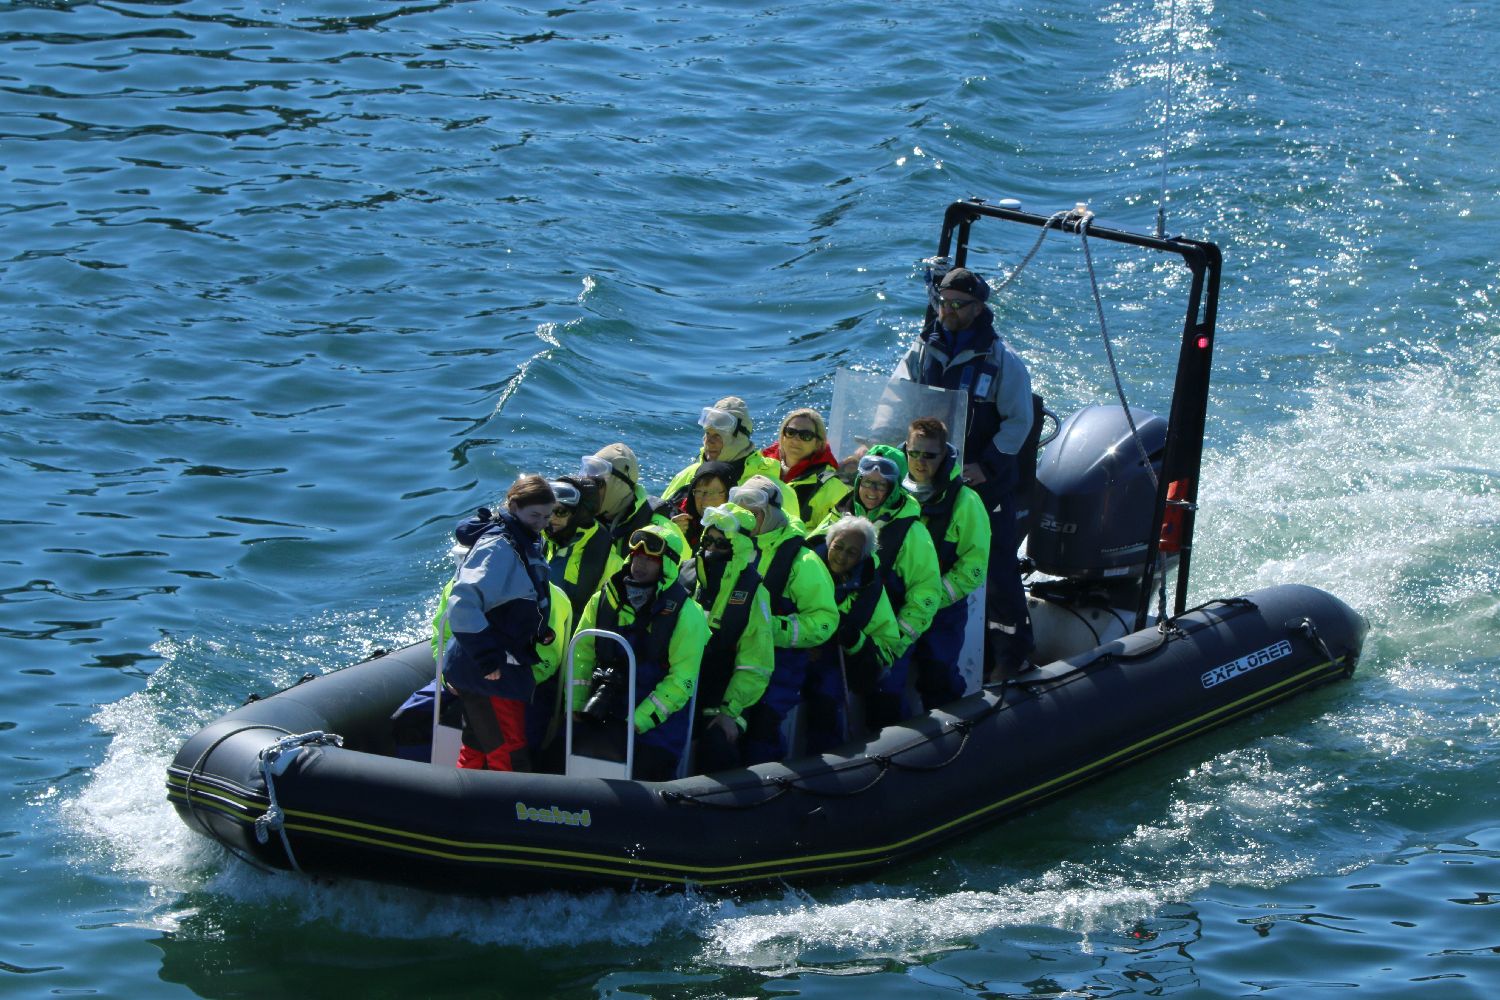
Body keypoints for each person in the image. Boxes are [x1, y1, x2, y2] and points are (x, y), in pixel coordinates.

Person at [894, 266, 1035, 678]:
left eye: (958, 304)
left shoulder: (1002, 361)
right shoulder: (923, 349)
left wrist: (985, 466)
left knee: (997, 567)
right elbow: (895, 398)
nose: (948, 310)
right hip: (929, 481)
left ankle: (1013, 656)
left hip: (983, 486)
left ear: (978, 308)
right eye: (943, 302)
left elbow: (1018, 422)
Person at [815, 445, 941, 730]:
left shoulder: (912, 533)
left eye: (882, 486)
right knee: (824, 695)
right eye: (868, 483)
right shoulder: (839, 516)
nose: (872, 491)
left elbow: (926, 592)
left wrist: (897, 641)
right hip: (839, 631)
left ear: (895, 489)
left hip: (886, 634)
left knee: (886, 696)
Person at [570, 524, 708, 781]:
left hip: (655, 730)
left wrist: (637, 722)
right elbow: (582, 654)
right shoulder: (602, 600)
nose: (640, 564)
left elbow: (682, 680)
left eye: (650, 559)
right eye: (637, 556)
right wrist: (578, 704)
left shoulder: (688, 615)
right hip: (600, 712)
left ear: (667, 565)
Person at [440, 475, 557, 771]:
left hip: (496, 663)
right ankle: (508, 808)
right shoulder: (499, 547)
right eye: (534, 515)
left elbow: (517, 595)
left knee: (479, 741)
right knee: (508, 746)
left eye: (547, 515)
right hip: (490, 669)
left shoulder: (524, 538)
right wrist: (487, 658)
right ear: (514, 507)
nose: (542, 522)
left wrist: (538, 631)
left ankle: (465, 799)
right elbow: (463, 603)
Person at [730, 476, 838, 764]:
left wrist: (772, 630)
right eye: (741, 511)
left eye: (754, 512)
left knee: (761, 729)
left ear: (773, 512)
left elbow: (825, 620)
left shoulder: (802, 562)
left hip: (780, 667)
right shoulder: (729, 548)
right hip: (734, 660)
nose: (748, 519)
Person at [903, 416, 990, 710]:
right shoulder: (895, 492)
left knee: (938, 674)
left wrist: (929, 599)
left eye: (929, 455)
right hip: (897, 606)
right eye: (913, 453)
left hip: (942, 610)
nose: (919, 462)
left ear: (944, 455)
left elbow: (973, 567)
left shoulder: (966, 503)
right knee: (887, 680)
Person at [685, 502, 776, 772]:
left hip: (724, 694)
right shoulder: (685, 576)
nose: (711, 550)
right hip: (681, 684)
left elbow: (756, 663)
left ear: (738, 548)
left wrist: (730, 711)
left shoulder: (754, 593)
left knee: (717, 745)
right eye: (708, 541)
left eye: (721, 544)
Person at [803, 515, 902, 752]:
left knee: (826, 698)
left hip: (837, 661)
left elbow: (887, 646)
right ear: (829, 543)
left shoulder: (870, 591)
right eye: (838, 547)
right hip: (796, 651)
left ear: (863, 557)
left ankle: (828, 758)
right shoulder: (803, 569)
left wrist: (854, 640)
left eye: (852, 553)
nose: (841, 556)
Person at [663, 396, 800, 518]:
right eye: (707, 434)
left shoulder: (773, 490)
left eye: (717, 435)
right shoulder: (687, 475)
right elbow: (657, 518)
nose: (708, 441)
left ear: (739, 439)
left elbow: (789, 537)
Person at [581, 443, 684, 580]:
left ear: (620, 486)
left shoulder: (662, 531)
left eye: (597, 483)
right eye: (586, 481)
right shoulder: (578, 516)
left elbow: (673, 583)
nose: (589, 490)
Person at [761, 408, 850, 530]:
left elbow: (829, 537)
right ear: (782, 436)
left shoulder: (833, 488)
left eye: (806, 435)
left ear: (818, 443)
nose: (796, 439)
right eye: (791, 432)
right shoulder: (758, 466)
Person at [543, 474, 610, 621]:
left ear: (579, 515)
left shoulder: (610, 564)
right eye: (549, 510)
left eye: (561, 512)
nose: (551, 518)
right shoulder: (542, 540)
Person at [668, 460, 735, 552]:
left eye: (713, 492)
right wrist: (671, 534)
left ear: (729, 494)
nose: (706, 499)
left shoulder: (740, 526)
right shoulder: (675, 515)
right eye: (699, 491)